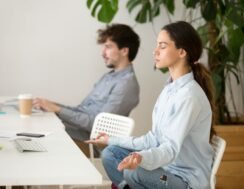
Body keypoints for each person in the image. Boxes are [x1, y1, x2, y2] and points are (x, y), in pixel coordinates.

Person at [86, 21, 216, 189]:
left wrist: (141, 158)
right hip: (164, 169)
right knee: (111, 153)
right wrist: (110, 140)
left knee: (136, 171)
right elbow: (153, 139)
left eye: (162, 46)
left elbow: (170, 149)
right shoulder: (169, 89)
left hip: (184, 179)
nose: (155, 51)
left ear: (182, 52)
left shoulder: (189, 96)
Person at [33, 24, 140, 156]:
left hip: (91, 145)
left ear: (124, 51)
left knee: (43, 139)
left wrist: (58, 110)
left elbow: (98, 127)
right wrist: (51, 105)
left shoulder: (127, 85)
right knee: (37, 126)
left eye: (108, 47)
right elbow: (82, 110)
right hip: (78, 134)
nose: (102, 53)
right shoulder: (109, 77)